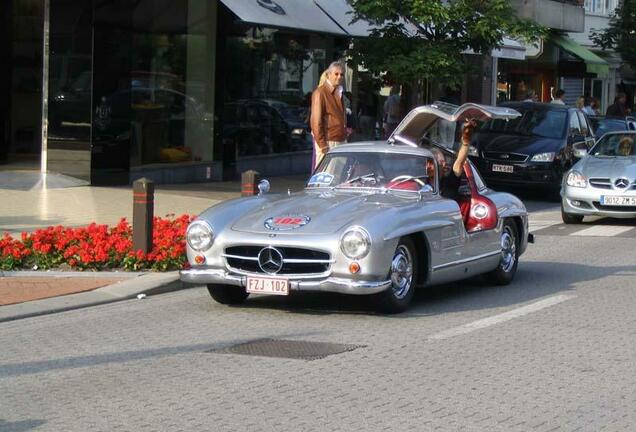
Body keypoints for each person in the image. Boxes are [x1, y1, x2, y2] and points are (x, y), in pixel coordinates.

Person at [310, 62, 347, 169]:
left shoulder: (338, 92)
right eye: (336, 74)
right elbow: (316, 122)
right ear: (328, 75)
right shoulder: (320, 93)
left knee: (337, 176)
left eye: (341, 74)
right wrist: (322, 145)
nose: (339, 77)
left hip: (339, 140)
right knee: (325, 176)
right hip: (328, 141)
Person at [434, 119, 478, 201]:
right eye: (440, 162)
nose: (444, 164)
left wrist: (465, 142)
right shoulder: (423, 183)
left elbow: (460, 160)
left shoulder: (450, 179)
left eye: (444, 161)